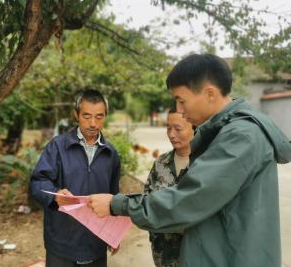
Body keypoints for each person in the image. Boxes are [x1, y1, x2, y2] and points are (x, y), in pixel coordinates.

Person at [88, 54, 291, 267]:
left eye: (181, 101)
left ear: (209, 93)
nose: (180, 111)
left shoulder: (241, 137)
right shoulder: (224, 133)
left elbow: (188, 199)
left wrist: (117, 204)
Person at [30, 89, 121, 267]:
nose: (93, 123)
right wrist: (55, 195)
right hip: (61, 244)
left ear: (105, 116)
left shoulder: (111, 154)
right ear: (76, 115)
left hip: (96, 243)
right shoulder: (57, 147)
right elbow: (37, 182)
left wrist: (113, 234)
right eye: (86, 116)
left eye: (99, 117)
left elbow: (113, 197)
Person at [144, 109, 194, 267]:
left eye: (178, 129)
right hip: (163, 254)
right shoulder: (161, 163)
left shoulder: (206, 164)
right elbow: (146, 202)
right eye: (168, 128)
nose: (172, 134)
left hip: (195, 254)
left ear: (194, 128)